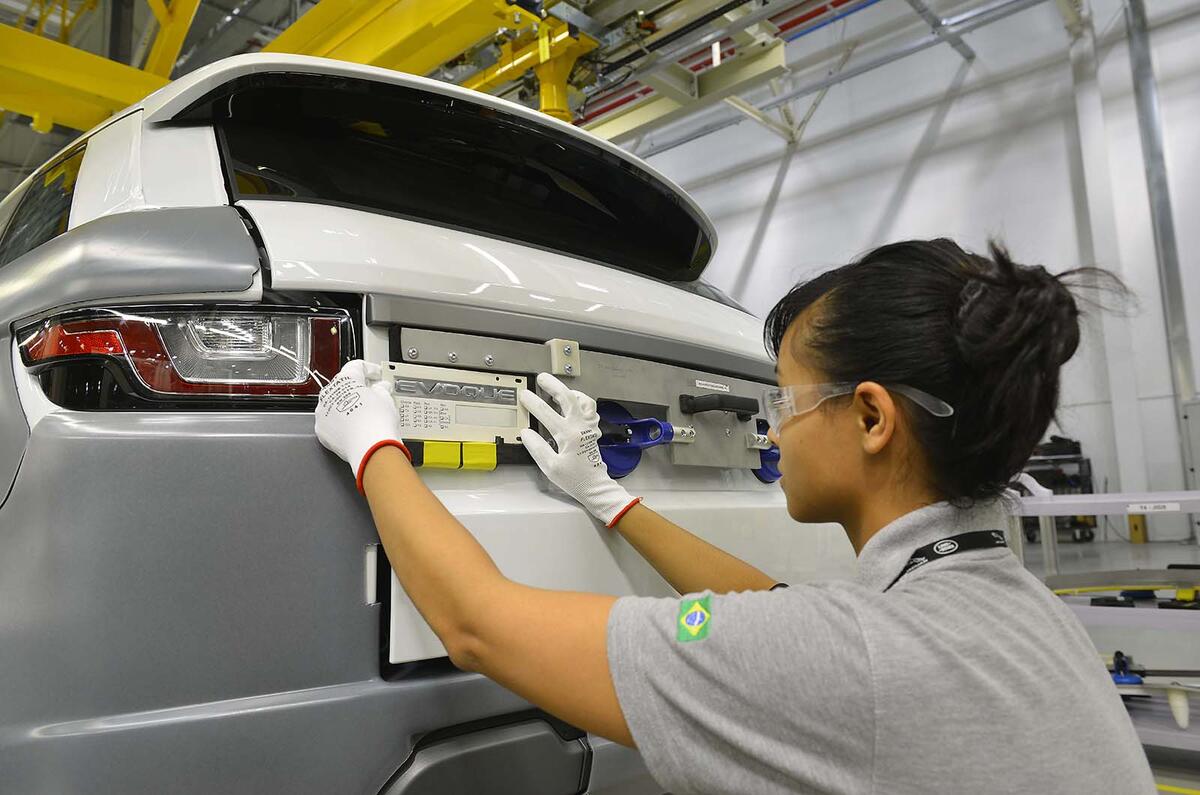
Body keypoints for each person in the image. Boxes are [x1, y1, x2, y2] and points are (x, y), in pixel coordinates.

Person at [315, 238, 1155, 794]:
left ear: (871, 417)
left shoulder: (856, 663)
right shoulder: (1015, 608)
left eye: (785, 400)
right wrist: (610, 499)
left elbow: (478, 624)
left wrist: (374, 442)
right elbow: (776, 613)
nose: (773, 430)